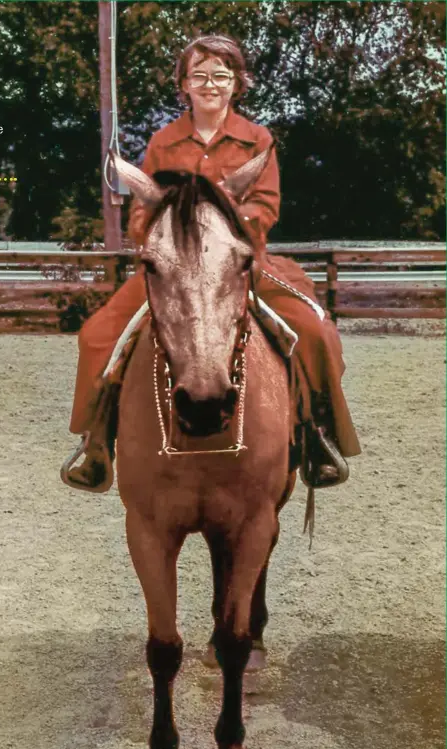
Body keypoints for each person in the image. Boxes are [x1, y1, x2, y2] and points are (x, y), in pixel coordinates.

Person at [63, 34, 361, 492]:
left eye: (220, 76)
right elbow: (143, 209)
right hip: (174, 272)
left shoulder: (257, 140)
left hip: (239, 266)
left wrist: (220, 224)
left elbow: (266, 205)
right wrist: (159, 236)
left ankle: (317, 435)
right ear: (184, 84)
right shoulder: (164, 142)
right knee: (96, 335)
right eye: (199, 75)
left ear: (236, 84)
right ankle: (96, 443)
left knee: (315, 331)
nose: (210, 84)